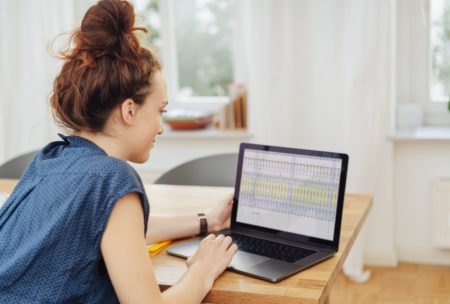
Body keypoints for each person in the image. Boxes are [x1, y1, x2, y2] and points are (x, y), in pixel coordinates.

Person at [0, 0, 238, 302]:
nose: (161, 127)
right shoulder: (113, 178)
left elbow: (113, 231)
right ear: (129, 110)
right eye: (160, 111)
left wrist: (207, 221)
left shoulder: (51, 159)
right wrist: (203, 269)